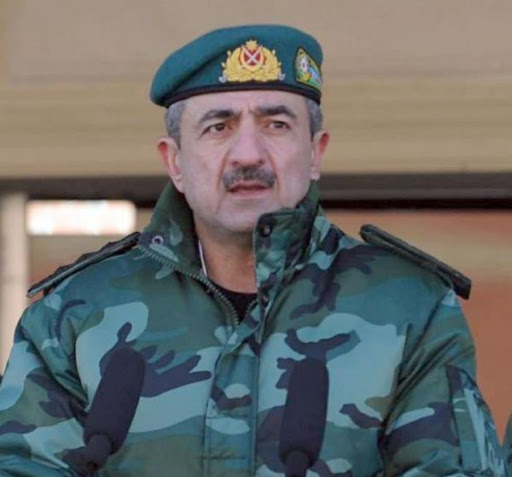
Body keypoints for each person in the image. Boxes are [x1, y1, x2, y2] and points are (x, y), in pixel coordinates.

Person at [0, 24, 506, 476]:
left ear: (316, 153)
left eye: (275, 125)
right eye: (218, 127)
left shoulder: (410, 307)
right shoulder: (78, 313)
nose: (247, 154)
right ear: (175, 162)